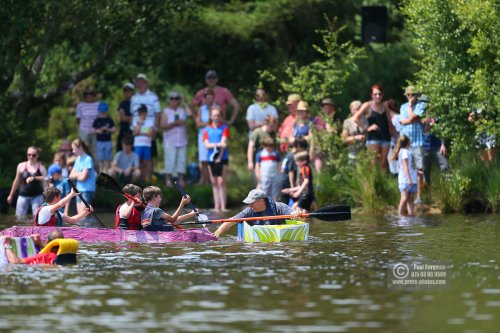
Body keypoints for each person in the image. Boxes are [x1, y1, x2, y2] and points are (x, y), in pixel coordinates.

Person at [213, 189, 301, 238]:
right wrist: (217, 232)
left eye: (252, 203)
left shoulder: (279, 207)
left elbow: (293, 212)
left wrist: (296, 213)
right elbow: (231, 221)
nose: (250, 205)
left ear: (261, 201)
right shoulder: (249, 211)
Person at [354, 85, 394, 169]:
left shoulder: (385, 105)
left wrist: (392, 130)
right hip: (373, 137)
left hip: (385, 136)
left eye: (380, 94)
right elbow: (355, 118)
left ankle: (383, 181)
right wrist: (366, 128)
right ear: (372, 95)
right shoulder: (367, 105)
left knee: (383, 163)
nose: (378, 96)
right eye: (375, 94)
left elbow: (389, 120)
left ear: (382, 95)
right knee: (374, 162)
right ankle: (373, 181)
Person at [130, 74, 161, 182]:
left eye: (142, 82)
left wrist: (155, 129)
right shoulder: (134, 97)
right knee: (138, 158)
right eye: (138, 82)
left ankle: (149, 181)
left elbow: (157, 113)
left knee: (149, 158)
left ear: (146, 83)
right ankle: (140, 181)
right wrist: (133, 128)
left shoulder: (153, 96)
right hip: (137, 128)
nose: (140, 84)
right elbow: (132, 114)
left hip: (150, 128)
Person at [399, 86, 426, 203]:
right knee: (406, 168)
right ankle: (408, 193)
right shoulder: (402, 106)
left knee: (419, 170)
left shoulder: (421, 105)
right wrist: (412, 118)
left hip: (417, 141)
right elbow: (403, 120)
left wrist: (410, 108)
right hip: (406, 143)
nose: (410, 96)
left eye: (413, 94)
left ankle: (418, 196)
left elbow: (414, 116)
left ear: (417, 95)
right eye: (408, 95)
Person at [161, 91, 192, 187]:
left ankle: (181, 179)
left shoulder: (182, 110)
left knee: (181, 160)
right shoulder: (165, 111)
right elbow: (163, 125)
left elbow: (190, 114)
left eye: (176, 98)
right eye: (172, 98)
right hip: (170, 141)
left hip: (182, 140)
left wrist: (184, 103)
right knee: (170, 160)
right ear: (169, 100)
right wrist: (174, 124)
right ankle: (168, 180)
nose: (174, 100)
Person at [7, 146, 47, 218]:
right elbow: (16, 181)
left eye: (33, 155)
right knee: (19, 218)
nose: (31, 157)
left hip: (37, 196)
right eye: (29, 155)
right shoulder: (21, 166)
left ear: (37, 155)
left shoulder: (41, 168)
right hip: (23, 196)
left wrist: (48, 198)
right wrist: (11, 195)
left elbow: (45, 183)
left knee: (37, 218)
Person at [203, 106, 230, 212]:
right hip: (211, 158)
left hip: (223, 157)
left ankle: (223, 207)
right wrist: (217, 144)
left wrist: (215, 146)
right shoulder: (207, 130)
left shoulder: (224, 128)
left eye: (218, 115)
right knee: (214, 182)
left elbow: (224, 144)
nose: (216, 117)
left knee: (221, 181)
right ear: (211, 116)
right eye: (214, 115)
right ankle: (216, 206)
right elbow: (206, 145)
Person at [390, 135, 417, 216]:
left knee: (411, 198)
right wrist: (409, 179)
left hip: (411, 178)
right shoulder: (404, 152)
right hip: (406, 180)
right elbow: (405, 167)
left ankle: (411, 215)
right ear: (407, 142)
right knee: (404, 198)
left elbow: (410, 166)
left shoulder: (407, 151)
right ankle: (400, 215)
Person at [195, 88, 217, 185]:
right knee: (203, 160)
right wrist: (207, 123)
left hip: (214, 136)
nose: (209, 100)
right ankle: (205, 180)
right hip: (203, 136)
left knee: (213, 159)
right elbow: (198, 124)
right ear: (205, 98)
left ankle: (213, 181)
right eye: (208, 98)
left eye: (211, 98)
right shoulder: (201, 109)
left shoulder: (216, 108)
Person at [69, 139, 96, 215]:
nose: (73, 151)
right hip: (79, 189)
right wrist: (80, 174)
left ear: (80, 147)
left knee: (82, 215)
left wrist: (77, 175)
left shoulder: (88, 159)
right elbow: (71, 176)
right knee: (79, 215)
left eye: (74, 149)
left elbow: (83, 178)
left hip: (87, 190)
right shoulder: (78, 159)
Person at [279, 137, 308, 205]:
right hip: (287, 182)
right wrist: (292, 187)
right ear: (298, 146)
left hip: (283, 180)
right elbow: (291, 172)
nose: (303, 151)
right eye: (303, 148)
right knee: (286, 204)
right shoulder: (293, 156)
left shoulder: (289, 154)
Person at [92, 101, 116, 172]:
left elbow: (114, 129)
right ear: (99, 111)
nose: (102, 113)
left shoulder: (109, 119)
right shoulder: (97, 120)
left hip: (108, 141)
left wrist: (108, 129)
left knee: (108, 157)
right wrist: (98, 130)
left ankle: (108, 171)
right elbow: (93, 129)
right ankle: (101, 171)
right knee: (100, 158)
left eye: (104, 112)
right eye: (101, 112)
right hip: (99, 141)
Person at [76, 87, 100, 156]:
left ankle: (96, 165)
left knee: (95, 150)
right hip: (84, 130)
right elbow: (78, 119)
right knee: (84, 149)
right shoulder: (80, 105)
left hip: (95, 131)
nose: (89, 96)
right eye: (87, 94)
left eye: (91, 94)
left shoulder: (98, 104)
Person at [133, 104, 154, 183]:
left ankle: (146, 179)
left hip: (147, 145)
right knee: (137, 162)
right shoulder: (136, 120)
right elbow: (135, 133)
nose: (140, 114)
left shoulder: (150, 121)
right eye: (139, 112)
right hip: (138, 145)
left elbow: (150, 134)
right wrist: (140, 123)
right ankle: (138, 178)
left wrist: (140, 133)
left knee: (146, 162)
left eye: (141, 112)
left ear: (145, 112)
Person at [116, 82, 135, 152]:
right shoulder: (122, 104)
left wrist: (129, 118)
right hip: (124, 131)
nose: (127, 92)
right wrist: (131, 118)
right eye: (125, 91)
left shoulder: (137, 102)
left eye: (129, 90)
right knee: (121, 152)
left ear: (132, 91)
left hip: (134, 132)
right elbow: (122, 118)